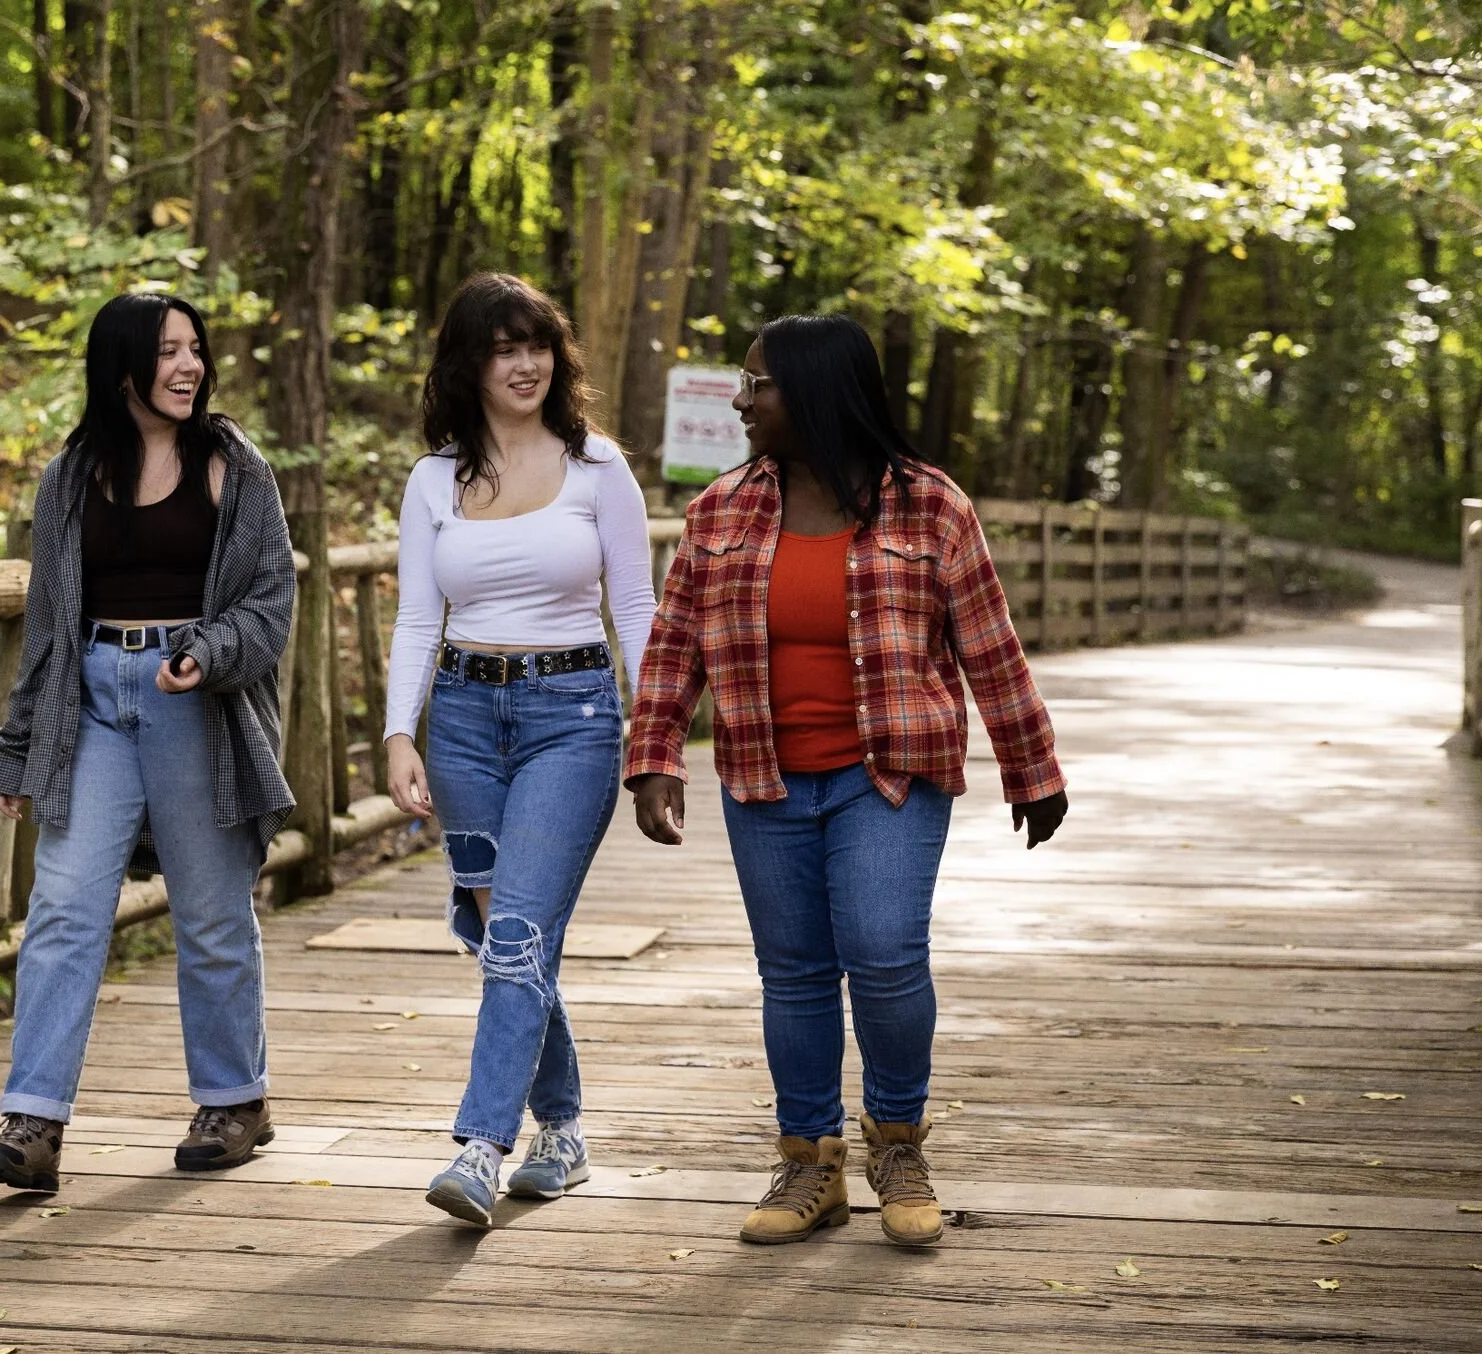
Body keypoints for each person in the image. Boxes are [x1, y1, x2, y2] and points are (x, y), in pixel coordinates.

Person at [625, 313, 1068, 1248]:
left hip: (890, 772)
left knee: (883, 949)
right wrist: (655, 756)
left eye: (760, 386)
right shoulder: (721, 511)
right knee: (792, 973)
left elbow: (989, 646)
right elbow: (673, 645)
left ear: (818, 394)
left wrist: (1032, 767)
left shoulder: (930, 507)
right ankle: (809, 1163)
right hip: (764, 774)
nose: (741, 401)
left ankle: (898, 1144)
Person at [0, 293, 296, 1193]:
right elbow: (46, 626)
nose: (190, 367)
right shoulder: (71, 477)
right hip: (94, 702)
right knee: (65, 908)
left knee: (212, 910)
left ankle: (235, 1100)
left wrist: (210, 651)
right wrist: (19, 746)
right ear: (123, 370)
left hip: (196, 700)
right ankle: (32, 1122)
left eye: (197, 349)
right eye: (169, 353)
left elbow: (271, 604)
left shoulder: (235, 466)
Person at [383, 273, 657, 1227]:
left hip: (572, 718)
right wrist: (397, 732)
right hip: (461, 720)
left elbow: (635, 608)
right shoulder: (432, 481)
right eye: (504, 347)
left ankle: (479, 1146)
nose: (526, 362)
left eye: (537, 342)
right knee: (507, 942)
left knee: (517, 937)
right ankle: (565, 1130)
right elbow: (420, 616)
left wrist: (654, 732)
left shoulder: (598, 469)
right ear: (471, 362)